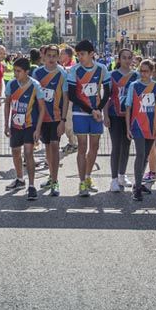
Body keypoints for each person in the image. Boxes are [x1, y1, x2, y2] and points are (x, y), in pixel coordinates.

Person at [67, 39, 111, 197]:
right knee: (82, 146)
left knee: (94, 146)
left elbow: (108, 92)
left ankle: (88, 176)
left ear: (92, 54)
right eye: (78, 54)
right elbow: (72, 95)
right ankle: (81, 183)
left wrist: (98, 109)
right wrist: (91, 110)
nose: (80, 57)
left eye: (83, 54)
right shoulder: (75, 70)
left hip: (96, 113)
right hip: (80, 113)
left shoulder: (102, 69)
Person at [3, 57, 46, 201]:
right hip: (15, 125)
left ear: (27, 72)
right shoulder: (11, 84)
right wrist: (6, 124)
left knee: (28, 152)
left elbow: (42, 108)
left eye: (19, 71)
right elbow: (7, 103)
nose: (16, 74)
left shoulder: (35, 85)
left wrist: (38, 128)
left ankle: (32, 185)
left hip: (30, 125)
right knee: (15, 152)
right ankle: (20, 179)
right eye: (14, 71)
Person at [124, 59, 156, 202]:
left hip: (152, 126)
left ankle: (138, 182)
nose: (143, 74)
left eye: (146, 71)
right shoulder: (134, 86)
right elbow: (128, 106)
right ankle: (137, 189)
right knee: (140, 154)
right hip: (138, 126)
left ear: (152, 72)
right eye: (141, 71)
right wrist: (128, 127)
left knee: (146, 156)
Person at [32, 44, 68, 196]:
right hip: (42, 118)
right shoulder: (37, 73)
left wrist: (63, 120)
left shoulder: (62, 73)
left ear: (58, 57)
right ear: (44, 57)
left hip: (56, 117)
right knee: (47, 148)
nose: (52, 59)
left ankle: (55, 181)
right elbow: (33, 96)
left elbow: (66, 98)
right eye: (49, 56)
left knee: (55, 146)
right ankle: (50, 177)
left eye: (55, 56)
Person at [106, 48, 136, 193]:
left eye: (129, 57)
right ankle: (113, 180)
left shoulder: (136, 76)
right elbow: (106, 96)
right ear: (119, 59)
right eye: (124, 57)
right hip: (114, 114)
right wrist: (105, 115)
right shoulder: (112, 75)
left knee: (126, 146)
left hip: (129, 116)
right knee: (116, 147)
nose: (126, 60)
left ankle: (122, 175)